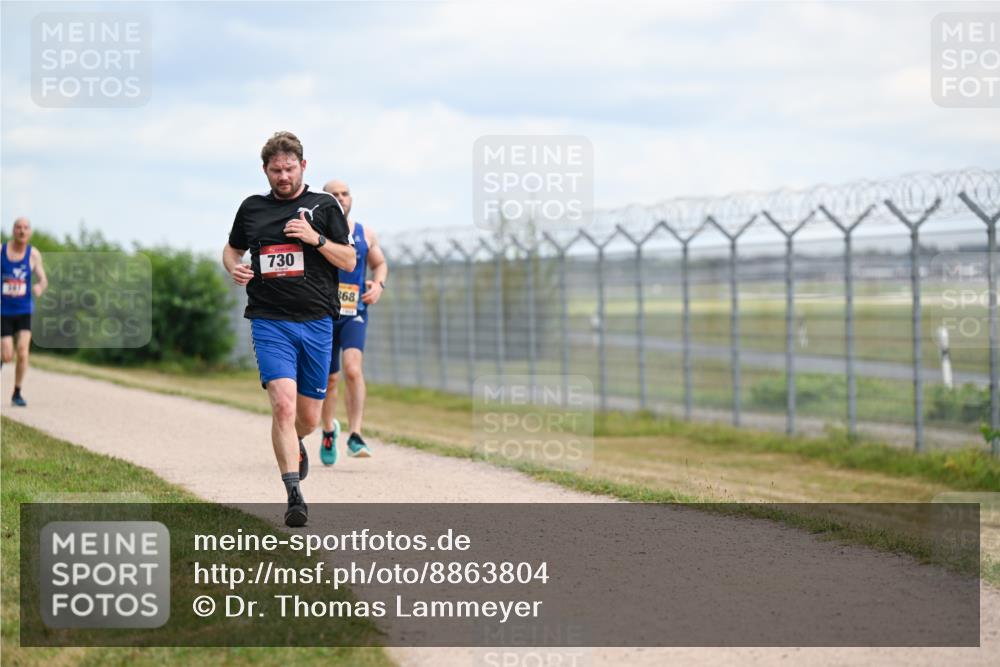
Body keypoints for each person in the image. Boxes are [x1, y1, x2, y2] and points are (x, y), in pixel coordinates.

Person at [222, 132, 355, 527]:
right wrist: (234, 268)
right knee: (282, 403)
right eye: (275, 170)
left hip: (316, 321)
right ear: (265, 170)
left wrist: (315, 239)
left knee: (309, 418)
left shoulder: (323, 206)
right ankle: (294, 494)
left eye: (290, 168)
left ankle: (297, 440)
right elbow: (231, 250)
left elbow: (348, 259)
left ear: (303, 166)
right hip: (269, 319)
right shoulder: (251, 209)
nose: (283, 176)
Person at [317, 180, 387, 465]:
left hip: (354, 312)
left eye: (345, 193)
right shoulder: (316, 233)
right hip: (323, 314)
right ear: (325, 200)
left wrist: (379, 285)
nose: (341, 198)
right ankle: (328, 430)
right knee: (330, 379)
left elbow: (379, 263)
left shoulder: (364, 233)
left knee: (353, 369)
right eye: (334, 195)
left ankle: (356, 434)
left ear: (351, 198)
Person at [1, 217, 48, 407]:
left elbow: (43, 279)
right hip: (3, 310)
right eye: (18, 227)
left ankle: (17, 393)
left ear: (29, 232)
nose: (22, 231)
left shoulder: (33, 255)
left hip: (23, 310)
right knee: (6, 355)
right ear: (13, 230)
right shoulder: (2, 251)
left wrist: (39, 287)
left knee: (22, 351)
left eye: (25, 228)